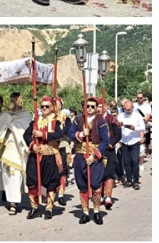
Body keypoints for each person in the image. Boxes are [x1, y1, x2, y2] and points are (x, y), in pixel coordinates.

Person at [66, 97, 109, 225]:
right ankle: (85, 213)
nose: (89, 108)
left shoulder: (100, 121)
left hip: (94, 156)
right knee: (82, 185)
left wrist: (95, 156)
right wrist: (80, 134)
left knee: (96, 184)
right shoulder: (78, 119)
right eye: (87, 106)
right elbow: (70, 134)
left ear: (97, 108)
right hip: (80, 155)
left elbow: (105, 141)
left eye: (92, 106)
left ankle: (96, 212)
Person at [21, 95, 63, 220]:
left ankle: (49, 208)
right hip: (36, 155)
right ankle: (34, 207)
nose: (44, 108)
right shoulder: (35, 121)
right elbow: (26, 134)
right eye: (42, 106)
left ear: (52, 107)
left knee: (51, 183)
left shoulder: (57, 120)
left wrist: (42, 134)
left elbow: (59, 134)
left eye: (47, 106)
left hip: (50, 155)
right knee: (32, 182)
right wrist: (32, 145)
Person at [117, 98, 144, 189]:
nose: (128, 111)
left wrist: (135, 129)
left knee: (135, 161)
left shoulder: (137, 116)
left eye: (129, 109)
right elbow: (117, 128)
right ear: (123, 108)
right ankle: (129, 180)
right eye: (125, 109)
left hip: (135, 140)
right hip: (124, 141)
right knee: (126, 161)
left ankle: (135, 181)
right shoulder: (120, 116)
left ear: (132, 107)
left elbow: (142, 128)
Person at [100, 99, 122, 209]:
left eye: (100, 106)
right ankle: (99, 195)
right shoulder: (91, 120)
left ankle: (108, 196)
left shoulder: (111, 119)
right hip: (97, 150)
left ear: (105, 107)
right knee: (98, 174)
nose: (99, 109)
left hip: (109, 149)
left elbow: (118, 134)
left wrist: (111, 143)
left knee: (108, 172)